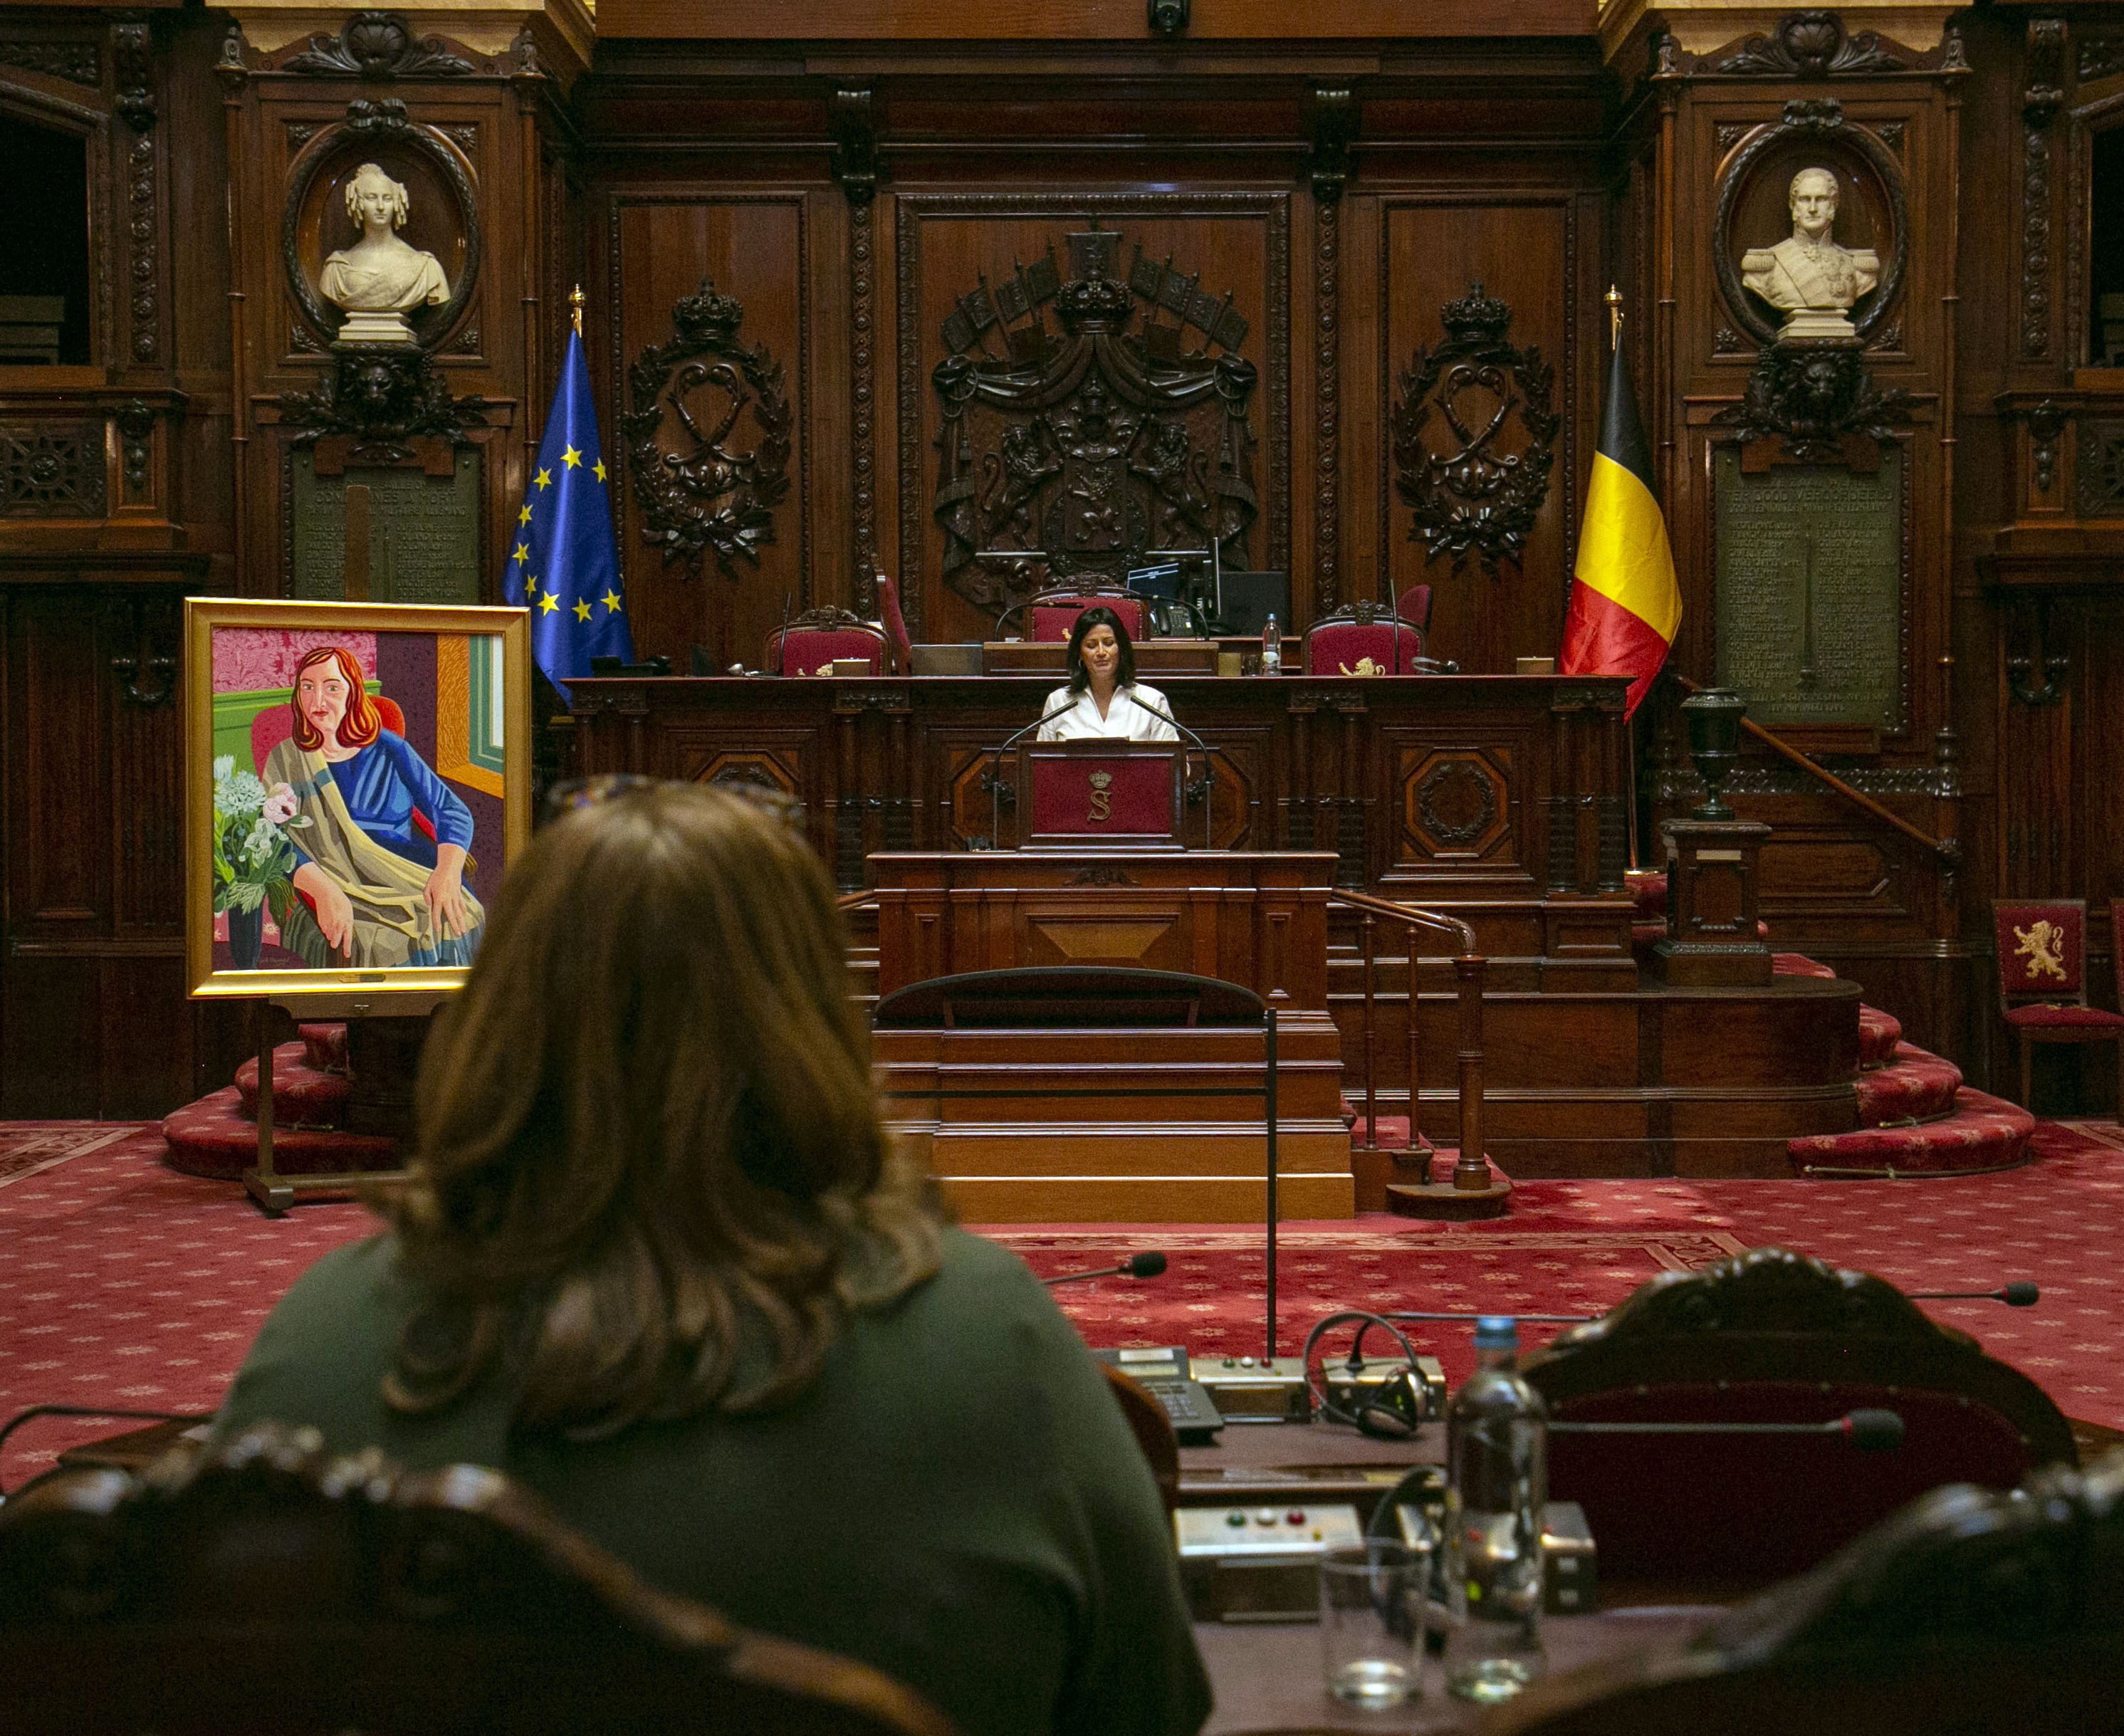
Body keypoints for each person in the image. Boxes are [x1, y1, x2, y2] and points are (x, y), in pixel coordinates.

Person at [214, 782, 1211, 1736]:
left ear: (497, 1002)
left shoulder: (326, 1339)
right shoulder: (990, 1338)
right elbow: (1144, 1708)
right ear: (811, 1013)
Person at [261, 644, 483, 969]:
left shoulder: (388, 747)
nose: (318, 701)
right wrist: (322, 889)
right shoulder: (287, 759)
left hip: (404, 867)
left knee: (461, 915)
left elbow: (450, 809)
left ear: (353, 693)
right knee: (375, 942)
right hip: (334, 879)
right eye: (307, 687)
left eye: (332, 687)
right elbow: (272, 837)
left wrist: (448, 872)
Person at [318, 162, 450, 340]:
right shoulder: (336, 270)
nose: (380, 206)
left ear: (396, 203)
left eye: (387, 198)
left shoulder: (425, 267)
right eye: (372, 198)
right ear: (358, 203)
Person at [1741, 167, 1878, 333]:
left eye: (1821, 199)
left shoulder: (1858, 268)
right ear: (1793, 206)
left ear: (1833, 206)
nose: (1812, 208)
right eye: (1805, 199)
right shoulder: (1768, 265)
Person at [1036, 605, 1181, 742]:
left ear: (1121, 648)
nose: (1101, 652)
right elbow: (1039, 766)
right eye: (1091, 645)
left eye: (1109, 643)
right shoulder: (1058, 703)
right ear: (1080, 653)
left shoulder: (1151, 702)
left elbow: (1177, 766)